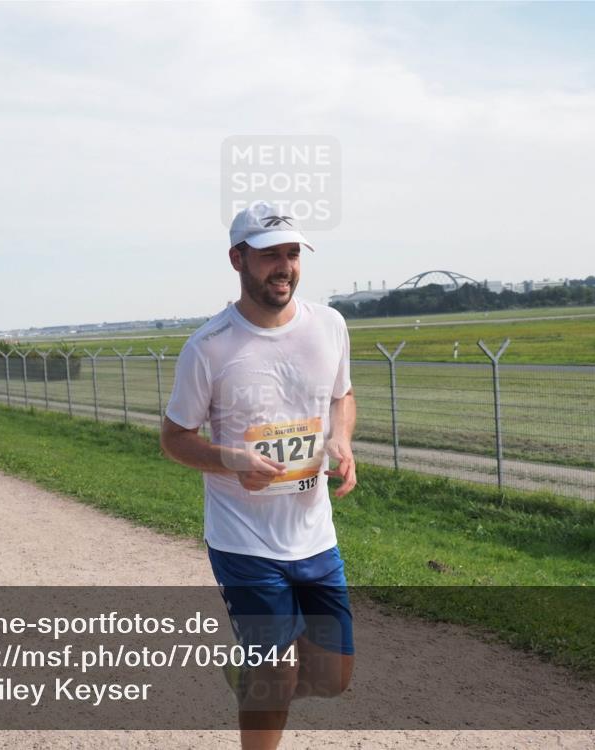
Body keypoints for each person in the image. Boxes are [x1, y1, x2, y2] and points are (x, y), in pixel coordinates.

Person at [160, 201, 357, 750]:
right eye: (270, 255)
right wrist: (233, 459)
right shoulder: (209, 347)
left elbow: (342, 396)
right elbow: (174, 439)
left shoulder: (330, 326)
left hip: (315, 534)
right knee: (277, 673)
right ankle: (263, 680)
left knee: (333, 678)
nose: (284, 267)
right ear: (237, 259)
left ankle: (253, 679)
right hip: (244, 541)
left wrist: (342, 438)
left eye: (292, 253)